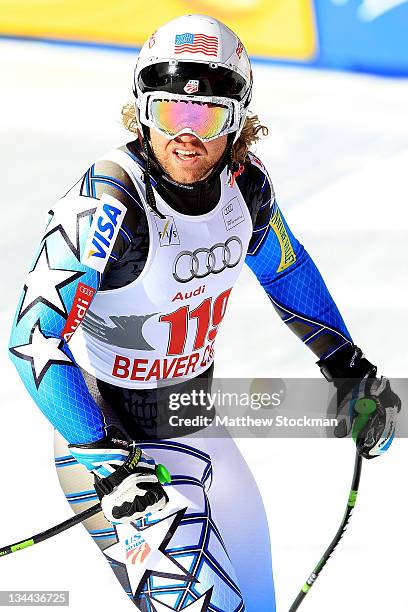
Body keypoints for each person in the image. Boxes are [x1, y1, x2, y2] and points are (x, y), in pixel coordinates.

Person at [8, 14, 400, 612]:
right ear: (142, 110)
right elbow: (31, 340)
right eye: (170, 113)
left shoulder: (245, 188)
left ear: (238, 120)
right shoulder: (108, 203)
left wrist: (346, 366)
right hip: (119, 452)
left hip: (196, 424)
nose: (186, 135)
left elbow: (285, 270)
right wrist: (106, 462)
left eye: (206, 115)